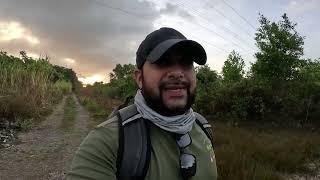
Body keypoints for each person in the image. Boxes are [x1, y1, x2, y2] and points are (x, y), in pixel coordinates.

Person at [67, 27, 218, 180]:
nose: (178, 73)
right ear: (139, 78)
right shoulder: (107, 142)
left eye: (186, 63)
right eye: (163, 62)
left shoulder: (203, 127)